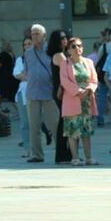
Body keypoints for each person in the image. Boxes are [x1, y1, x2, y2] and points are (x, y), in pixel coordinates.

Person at [23, 24, 60, 164]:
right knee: (34, 126)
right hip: (32, 92)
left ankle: (60, 151)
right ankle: (37, 154)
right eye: (32, 34)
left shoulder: (51, 51)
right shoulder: (27, 52)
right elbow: (27, 72)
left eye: (37, 33)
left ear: (44, 36)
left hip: (49, 92)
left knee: (55, 124)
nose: (34, 36)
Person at [60, 36, 99, 165]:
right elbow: (64, 81)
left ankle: (89, 157)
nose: (77, 48)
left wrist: (89, 89)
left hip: (86, 101)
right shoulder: (65, 63)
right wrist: (77, 91)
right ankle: (75, 157)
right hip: (72, 100)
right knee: (72, 131)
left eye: (80, 46)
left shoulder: (88, 62)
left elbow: (94, 80)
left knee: (86, 131)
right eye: (74, 46)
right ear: (68, 50)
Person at [46, 29, 74, 164]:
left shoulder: (64, 54)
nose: (64, 40)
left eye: (65, 37)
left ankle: (65, 153)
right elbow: (68, 73)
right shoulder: (59, 56)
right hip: (61, 91)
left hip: (63, 90)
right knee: (64, 122)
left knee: (65, 121)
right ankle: (62, 154)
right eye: (61, 38)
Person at [13, 37, 32, 153]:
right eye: (25, 44)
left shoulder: (39, 57)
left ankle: (36, 148)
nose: (27, 46)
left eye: (29, 44)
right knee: (25, 123)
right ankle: (27, 149)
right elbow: (16, 74)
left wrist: (25, 76)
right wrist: (30, 77)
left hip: (36, 92)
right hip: (23, 93)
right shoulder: (20, 59)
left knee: (35, 123)